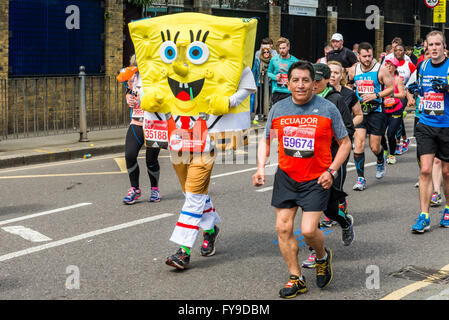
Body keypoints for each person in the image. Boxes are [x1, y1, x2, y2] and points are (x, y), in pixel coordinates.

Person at [252, 60, 352, 299]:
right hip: (287, 176)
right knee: (283, 227)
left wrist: (332, 171)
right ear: (288, 82)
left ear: (313, 83)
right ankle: (296, 277)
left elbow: (345, 143)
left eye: (305, 80)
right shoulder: (279, 109)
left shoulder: (327, 108)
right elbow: (266, 141)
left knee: (308, 231)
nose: (300, 85)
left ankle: (322, 257)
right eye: (295, 80)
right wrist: (260, 168)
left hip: (316, 179)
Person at [407, 30, 449, 232]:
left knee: (447, 172)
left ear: (444, 47)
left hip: (447, 125)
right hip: (425, 122)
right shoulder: (422, 66)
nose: (433, 48)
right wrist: (415, 91)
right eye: (430, 45)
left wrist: (447, 88)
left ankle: (448, 209)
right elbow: (421, 90)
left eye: (437, 44)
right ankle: (423, 215)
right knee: (425, 170)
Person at [347, 42, 394, 191]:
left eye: (370, 55)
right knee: (359, 144)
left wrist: (376, 95)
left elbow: (391, 89)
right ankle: (361, 178)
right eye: (364, 56)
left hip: (376, 112)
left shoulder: (381, 69)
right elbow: (349, 85)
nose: (367, 59)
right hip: (360, 112)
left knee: (374, 147)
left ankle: (380, 159)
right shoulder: (354, 69)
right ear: (358, 56)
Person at [121, 54, 162, 205]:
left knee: (151, 160)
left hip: (155, 124)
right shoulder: (134, 76)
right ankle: (135, 189)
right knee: (129, 155)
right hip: (137, 123)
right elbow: (129, 92)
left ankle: (155, 189)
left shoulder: (159, 76)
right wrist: (129, 98)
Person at [382, 57, 406, 165]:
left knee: (391, 134)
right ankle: (385, 149)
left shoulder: (397, 79)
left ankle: (391, 155)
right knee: (380, 134)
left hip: (396, 110)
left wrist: (391, 94)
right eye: (387, 64)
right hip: (383, 110)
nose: (388, 66)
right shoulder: (382, 78)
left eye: (391, 65)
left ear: (395, 67)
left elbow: (402, 94)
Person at [267, 37, 299, 105]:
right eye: (280, 48)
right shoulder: (274, 59)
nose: (281, 50)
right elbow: (269, 72)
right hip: (277, 91)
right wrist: (275, 77)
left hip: (289, 91)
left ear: (288, 47)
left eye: (283, 48)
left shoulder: (295, 61)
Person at [252, 47, 272, 123]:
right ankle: (257, 114)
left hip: (269, 83)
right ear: (262, 53)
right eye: (264, 52)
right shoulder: (258, 61)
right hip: (260, 82)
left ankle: (265, 114)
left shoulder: (271, 61)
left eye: (267, 52)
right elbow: (254, 71)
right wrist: (253, 82)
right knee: (259, 99)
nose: (266, 54)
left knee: (267, 100)